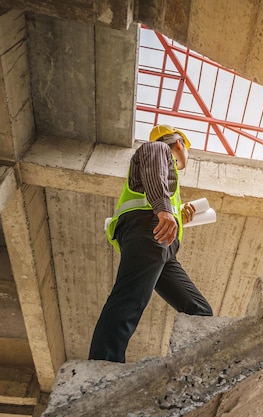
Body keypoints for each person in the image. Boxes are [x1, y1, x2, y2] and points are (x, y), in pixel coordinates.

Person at [89, 124, 213, 363]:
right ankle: (103, 364)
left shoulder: (170, 181)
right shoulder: (156, 148)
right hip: (148, 231)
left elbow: (157, 188)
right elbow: (154, 175)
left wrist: (178, 215)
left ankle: (192, 364)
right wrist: (165, 210)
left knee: (200, 311)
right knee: (130, 298)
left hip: (162, 243)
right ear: (179, 143)